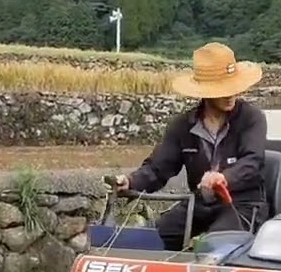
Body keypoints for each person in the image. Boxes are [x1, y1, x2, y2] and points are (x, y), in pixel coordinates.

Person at [110, 42, 268, 251]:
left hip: (242, 205)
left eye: (234, 87)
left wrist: (224, 178)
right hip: (201, 203)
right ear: (205, 91)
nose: (231, 94)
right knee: (150, 241)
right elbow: (158, 168)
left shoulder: (251, 118)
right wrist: (130, 182)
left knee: (213, 248)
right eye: (224, 89)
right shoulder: (183, 126)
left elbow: (252, 162)